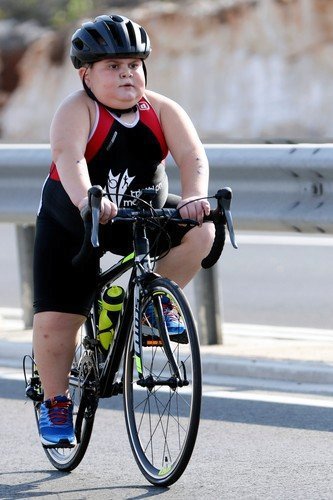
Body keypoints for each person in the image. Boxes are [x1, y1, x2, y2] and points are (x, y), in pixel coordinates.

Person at [33, 14, 215, 448]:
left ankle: (153, 304)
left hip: (140, 217)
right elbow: (69, 158)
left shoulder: (162, 109)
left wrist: (193, 194)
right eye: (113, 66)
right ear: (86, 75)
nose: (126, 74)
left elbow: (192, 155)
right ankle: (56, 402)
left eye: (133, 65)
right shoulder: (77, 110)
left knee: (203, 231)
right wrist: (87, 202)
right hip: (75, 223)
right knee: (59, 320)